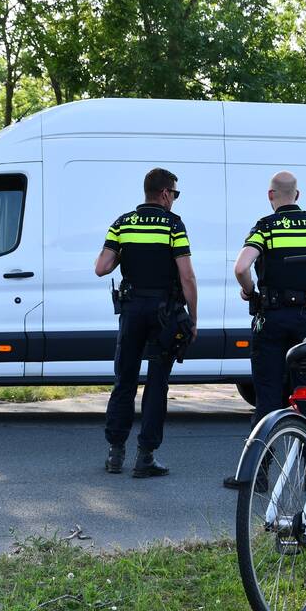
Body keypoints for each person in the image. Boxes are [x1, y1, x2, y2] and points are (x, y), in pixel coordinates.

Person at [224, 171, 306, 489]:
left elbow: (240, 267)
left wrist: (250, 292)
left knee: (268, 396)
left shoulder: (265, 226)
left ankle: (258, 476)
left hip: (271, 319)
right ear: (297, 195)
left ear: (270, 195)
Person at [94, 168, 198, 478]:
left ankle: (115, 453)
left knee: (124, 379)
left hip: (132, 309)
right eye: (175, 194)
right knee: (156, 382)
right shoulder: (173, 225)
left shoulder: (122, 223)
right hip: (164, 312)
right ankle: (145, 456)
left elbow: (102, 267)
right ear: (165, 193)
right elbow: (187, 275)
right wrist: (193, 316)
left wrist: (126, 255)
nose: (174, 200)